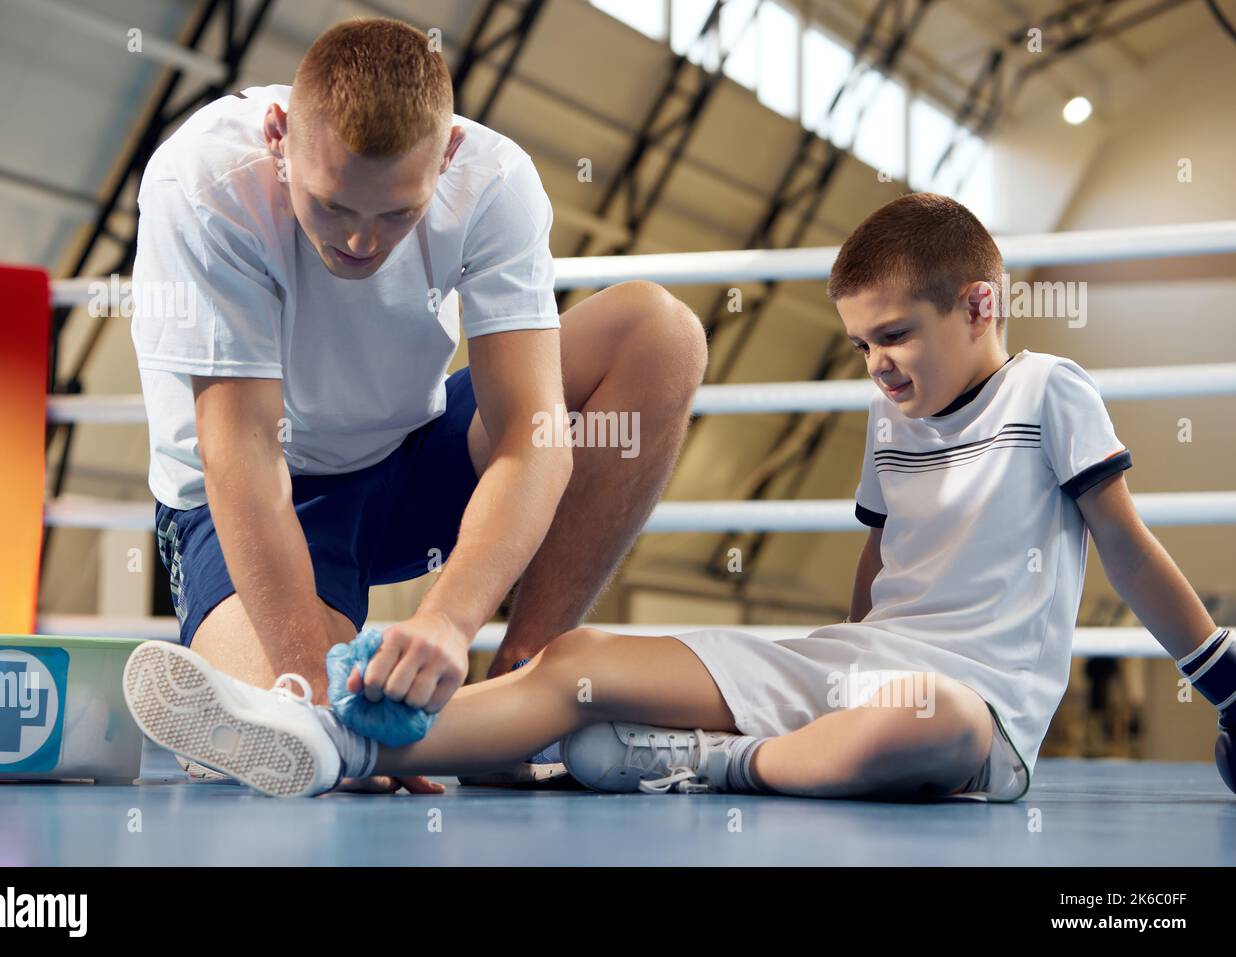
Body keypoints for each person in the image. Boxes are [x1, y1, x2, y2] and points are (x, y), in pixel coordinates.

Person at [126, 193, 1233, 802]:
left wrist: (1220, 681)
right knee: (579, 662)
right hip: (858, 664)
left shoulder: (1050, 393)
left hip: (971, 704)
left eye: (894, 337)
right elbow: (876, 569)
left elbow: (1126, 549)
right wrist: (818, 669)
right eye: (858, 345)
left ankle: (713, 764)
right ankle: (340, 745)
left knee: (929, 723)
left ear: (981, 305)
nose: (877, 366)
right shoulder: (891, 419)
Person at [129, 17, 708, 792]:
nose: (363, 244)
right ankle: (313, 726)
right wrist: (316, 695)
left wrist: (448, 621)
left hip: (412, 457)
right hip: (260, 498)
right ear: (277, 135)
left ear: (449, 156)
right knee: (312, 736)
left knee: (660, 334)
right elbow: (243, 452)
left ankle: (516, 700)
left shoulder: (495, 181)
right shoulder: (203, 183)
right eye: (334, 207)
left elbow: (531, 441)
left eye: (396, 214)